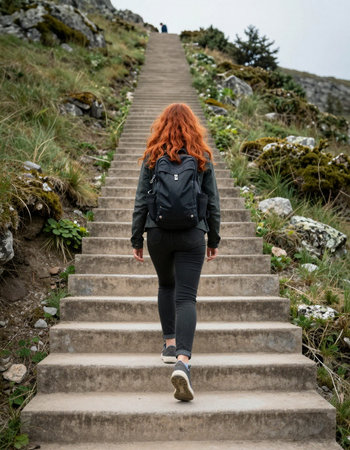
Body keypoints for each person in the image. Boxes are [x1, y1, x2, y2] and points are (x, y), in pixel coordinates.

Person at [131, 103, 220, 402]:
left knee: (166, 285)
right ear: (194, 126)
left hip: (158, 232)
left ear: (162, 126)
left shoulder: (153, 157)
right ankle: (183, 360)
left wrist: (136, 238)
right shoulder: (202, 157)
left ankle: (170, 345)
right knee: (186, 297)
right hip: (193, 233)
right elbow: (214, 203)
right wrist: (213, 238)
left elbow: (141, 200)